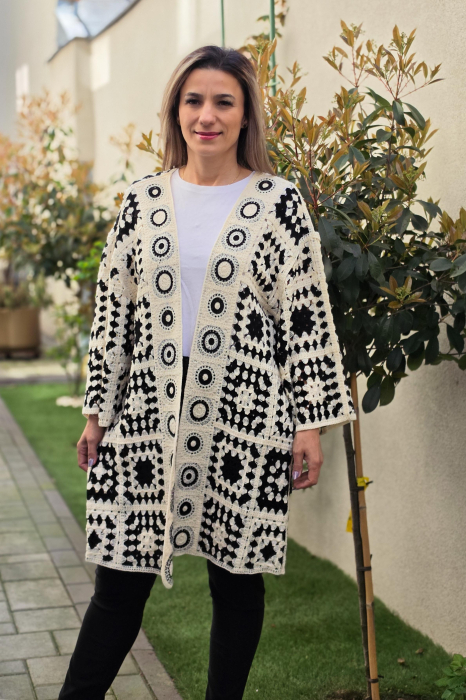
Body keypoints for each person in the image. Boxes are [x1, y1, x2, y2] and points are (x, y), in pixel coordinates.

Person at [59, 45, 356, 700]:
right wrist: (96, 413)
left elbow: (305, 318)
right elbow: (113, 314)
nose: (207, 116)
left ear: (245, 114)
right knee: (118, 583)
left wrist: (310, 424)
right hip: (146, 413)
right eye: (194, 100)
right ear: (176, 111)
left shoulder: (277, 202)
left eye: (224, 101)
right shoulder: (142, 200)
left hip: (244, 412)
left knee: (237, 581)